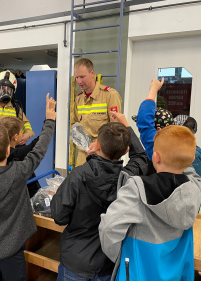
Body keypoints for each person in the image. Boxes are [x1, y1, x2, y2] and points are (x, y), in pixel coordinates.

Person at [99, 125, 201, 281]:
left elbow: (109, 228)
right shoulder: (196, 189)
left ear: (155, 157)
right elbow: (198, 181)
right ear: (191, 160)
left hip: (137, 274)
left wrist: (120, 257)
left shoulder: (137, 189)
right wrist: (183, 161)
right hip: (175, 275)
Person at [51, 112, 147, 281]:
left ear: (97, 144)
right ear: (126, 151)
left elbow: (59, 216)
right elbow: (141, 157)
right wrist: (126, 125)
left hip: (76, 262)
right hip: (107, 263)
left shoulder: (79, 175)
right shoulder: (127, 178)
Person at [0, 93, 56, 281]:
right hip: (13, 252)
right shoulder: (19, 172)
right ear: (9, 149)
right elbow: (40, 149)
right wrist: (49, 120)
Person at [71, 58, 122, 167]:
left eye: (82, 77)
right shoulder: (79, 99)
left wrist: (99, 145)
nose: (79, 81)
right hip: (82, 157)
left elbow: (117, 130)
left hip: (103, 157)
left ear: (92, 73)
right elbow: (74, 125)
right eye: (77, 77)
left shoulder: (110, 95)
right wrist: (83, 144)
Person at [0, 116, 41, 198]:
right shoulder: (16, 154)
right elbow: (38, 144)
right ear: (15, 137)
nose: (22, 134)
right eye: (21, 132)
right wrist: (50, 121)